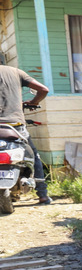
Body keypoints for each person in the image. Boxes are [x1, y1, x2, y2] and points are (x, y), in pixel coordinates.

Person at [0, 65, 50, 205]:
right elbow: (43, 89)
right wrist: (34, 102)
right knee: (33, 155)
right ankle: (42, 195)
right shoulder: (16, 72)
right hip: (14, 126)